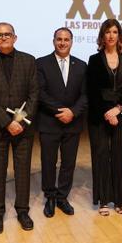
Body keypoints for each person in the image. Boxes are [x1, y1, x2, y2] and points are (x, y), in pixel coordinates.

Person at [0, 22, 39, 234]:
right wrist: (7, 122)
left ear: (15, 37)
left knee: (23, 171)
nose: (3, 38)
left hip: (23, 129)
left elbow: (34, 95)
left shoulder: (29, 61)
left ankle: (22, 211)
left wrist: (20, 122)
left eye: (7, 34)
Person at [36, 27, 87, 218]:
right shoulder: (41, 63)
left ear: (72, 42)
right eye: (59, 39)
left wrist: (72, 112)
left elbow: (85, 95)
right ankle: (49, 197)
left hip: (72, 123)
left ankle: (62, 197)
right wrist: (61, 111)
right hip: (50, 122)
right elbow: (41, 93)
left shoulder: (81, 65)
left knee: (68, 163)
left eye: (66, 39)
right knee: (48, 162)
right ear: (53, 41)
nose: (63, 43)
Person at [87, 19, 122, 215]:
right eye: (107, 32)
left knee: (119, 157)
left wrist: (119, 109)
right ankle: (104, 200)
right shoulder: (94, 60)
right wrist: (107, 112)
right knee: (102, 157)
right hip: (99, 116)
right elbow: (92, 90)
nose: (111, 35)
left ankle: (121, 200)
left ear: (119, 36)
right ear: (102, 36)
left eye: (115, 32)